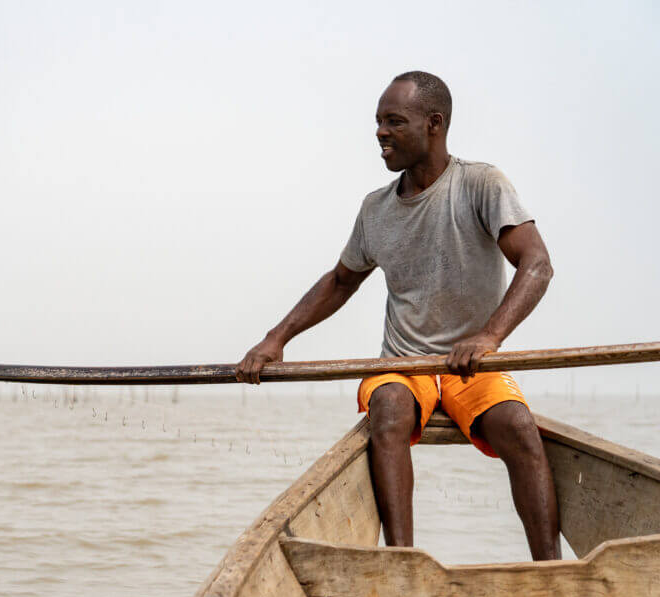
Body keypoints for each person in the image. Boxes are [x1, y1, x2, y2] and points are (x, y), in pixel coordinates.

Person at [235, 71, 560, 561]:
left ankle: (551, 573)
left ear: (435, 124)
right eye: (377, 123)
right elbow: (341, 281)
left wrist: (489, 336)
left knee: (518, 426)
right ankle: (402, 564)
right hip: (405, 366)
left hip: (471, 364)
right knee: (386, 408)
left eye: (394, 121)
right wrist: (274, 339)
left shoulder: (480, 185)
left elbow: (537, 264)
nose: (380, 133)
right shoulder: (376, 209)